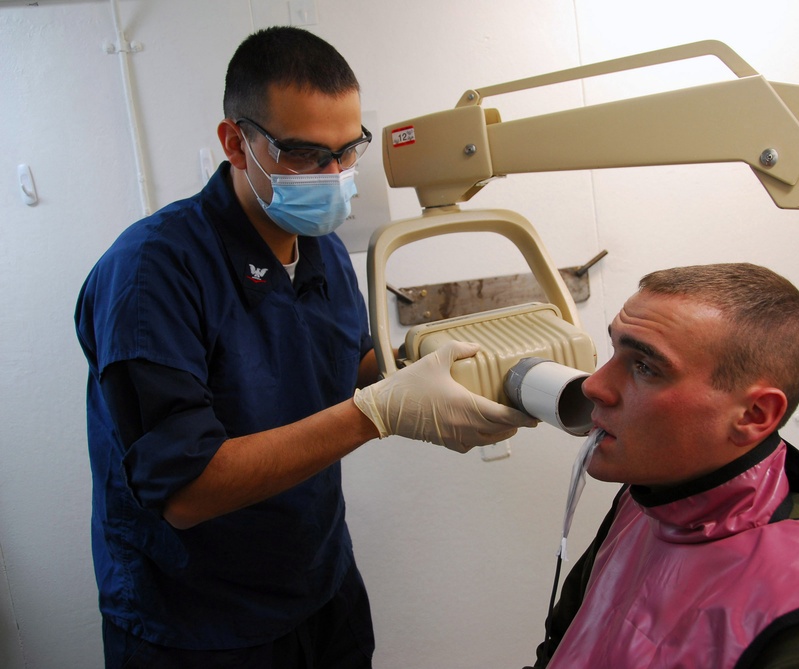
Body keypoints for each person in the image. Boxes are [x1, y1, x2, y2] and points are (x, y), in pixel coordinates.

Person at [75, 26, 535, 668]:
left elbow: (347, 359)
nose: (337, 177)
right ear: (237, 142)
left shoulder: (316, 248)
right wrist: (380, 413)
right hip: (198, 621)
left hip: (319, 586)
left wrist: (457, 374)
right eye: (307, 155)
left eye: (350, 151)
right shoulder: (153, 272)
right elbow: (187, 491)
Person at [528, 263, 799, 669]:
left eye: (644, 367)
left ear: (754, 415)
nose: (593, 385)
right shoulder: (643, 504)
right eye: (616, 350)